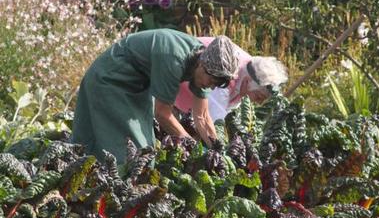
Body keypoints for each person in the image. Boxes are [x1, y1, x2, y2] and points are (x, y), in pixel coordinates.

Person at [72, 29, 239, 163]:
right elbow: (162, 114)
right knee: (129, 153)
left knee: (144, 152)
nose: (211, 86)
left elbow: (202, 116)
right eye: (211, 81)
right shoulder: (173, 58)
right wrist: (193, 147)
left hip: (137, 85)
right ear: (202, 65)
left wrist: (218, 152)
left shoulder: (205, 65)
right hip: (110, 79)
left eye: (216, 85)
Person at [175, 37, 288, 121]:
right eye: (259, 97)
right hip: (174, 68)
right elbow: (215, 119)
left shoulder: (251, 71)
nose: (259, 103)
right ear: (247, 81)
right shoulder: (225, 77)